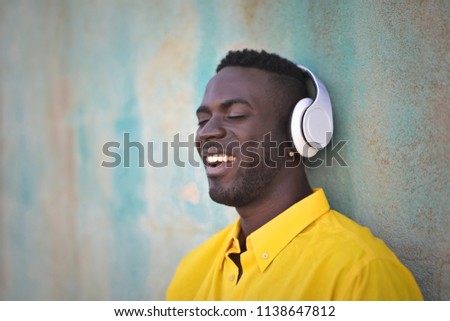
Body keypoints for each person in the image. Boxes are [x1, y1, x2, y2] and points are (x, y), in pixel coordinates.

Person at [166, 49, 423, 300]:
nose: (206, 132)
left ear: (299, 133)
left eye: (236, 115)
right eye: (202, 121)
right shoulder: (191, 272)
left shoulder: (360, 274)